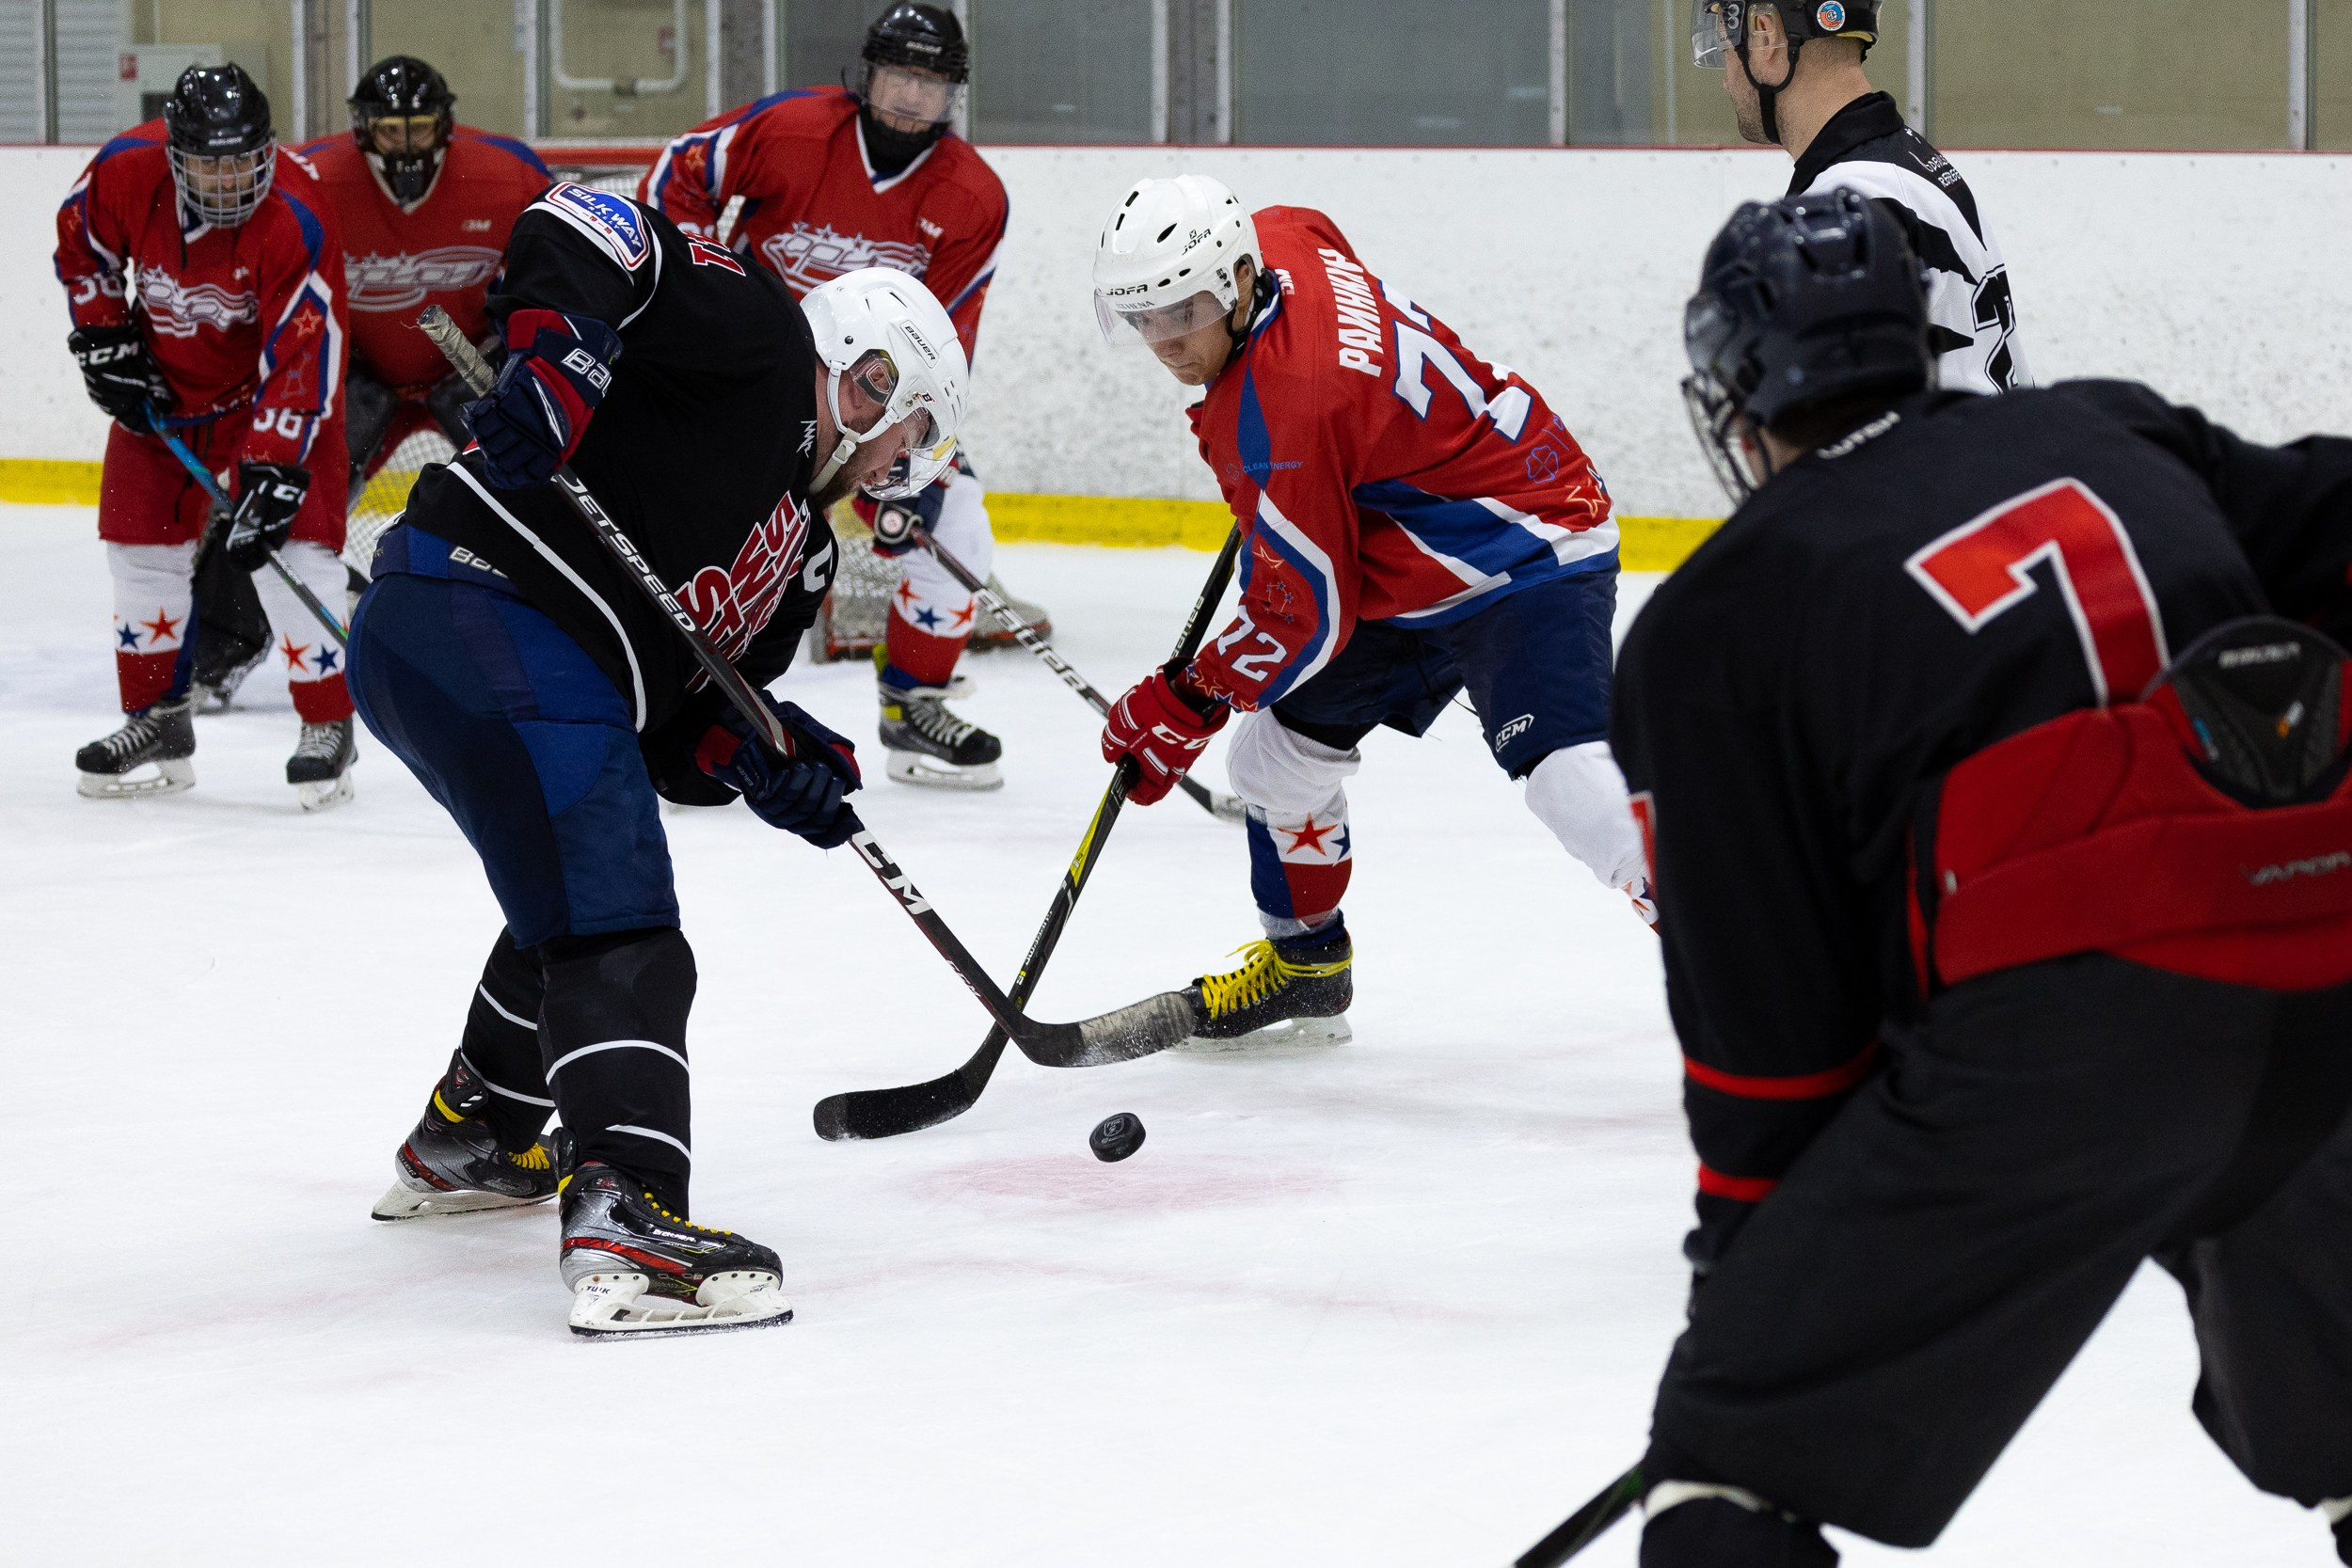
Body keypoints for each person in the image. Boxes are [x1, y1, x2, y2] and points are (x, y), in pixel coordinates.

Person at [1613, 189, 2352, 1565]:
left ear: (1739, 397)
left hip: (2076, 1040)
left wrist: (1756, 1318)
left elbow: (1772, 1043)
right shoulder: (2108, 424)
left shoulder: (1714, 619)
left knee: (1733, 1471)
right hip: (2330, 971)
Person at [347, 174, 965, 1337]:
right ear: (872, 373)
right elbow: (583, 221)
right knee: (619, 910)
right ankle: (626, 1203)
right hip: (479, 600)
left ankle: (476, 1128)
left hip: (493, 650)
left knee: (576, 882)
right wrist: (561, 360)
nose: (903, 461)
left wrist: (765, 753)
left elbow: (670, 726)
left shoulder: (803, 564)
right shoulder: (761, 340)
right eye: (911, 427)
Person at [1090, 175, 1651, 1050]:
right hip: (1404, 558)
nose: (1165, 341)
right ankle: (1307, 969)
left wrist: (1188, 697)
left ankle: (1754, 956)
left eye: (1184, 312)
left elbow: (1303, 618)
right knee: (1276, 763)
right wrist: (1307, 481)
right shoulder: (1280, 234)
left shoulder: (1280, 416)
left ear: (1240, 280)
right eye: (1143, 318)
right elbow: (1326, 242)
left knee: (1567, 779)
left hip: (1524, 542)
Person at [640, 2, 1014, 788]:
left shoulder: (973, 197)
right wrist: (697, 288)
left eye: (932, 80)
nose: (912, 95)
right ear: (867, 74)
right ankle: (667, 701)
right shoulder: (792, 130)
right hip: (754, 365)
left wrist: (910, 464)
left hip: (874, 397)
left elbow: (945, 343)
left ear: (953, 93)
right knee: (701, 525)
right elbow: (683, 170)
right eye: (899, 74)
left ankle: (913, 706)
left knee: (963, 522)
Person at [56, 62, 357, 807]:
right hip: (164, 397)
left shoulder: (298, 213)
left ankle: (328, 723)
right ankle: (158, 719)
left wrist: (274, 467)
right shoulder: (125, 171)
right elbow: (81, 245)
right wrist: (105, 341)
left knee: (293, 554)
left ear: (266, 149)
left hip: (269, 402)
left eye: (239, 163)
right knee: (139, 553)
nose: (226, 181)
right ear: (173, 153)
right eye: (206, 164)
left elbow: (305, 351)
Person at [1693, 0, 2024, 392]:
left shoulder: (1850, 207)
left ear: (1766, 36)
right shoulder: (1906, 159)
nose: (1726, 81)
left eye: (1727, 48)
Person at [299, 55, 550, 546]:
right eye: (392, 130)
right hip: (357, 372)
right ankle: (261, 617)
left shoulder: (509, 173)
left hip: (473, 367)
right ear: (364, 130)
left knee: (538, 500)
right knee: (299, 513)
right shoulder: (310, 180)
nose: (408, 146)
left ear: (446, 126)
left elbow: (554, 275)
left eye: (421, 129)